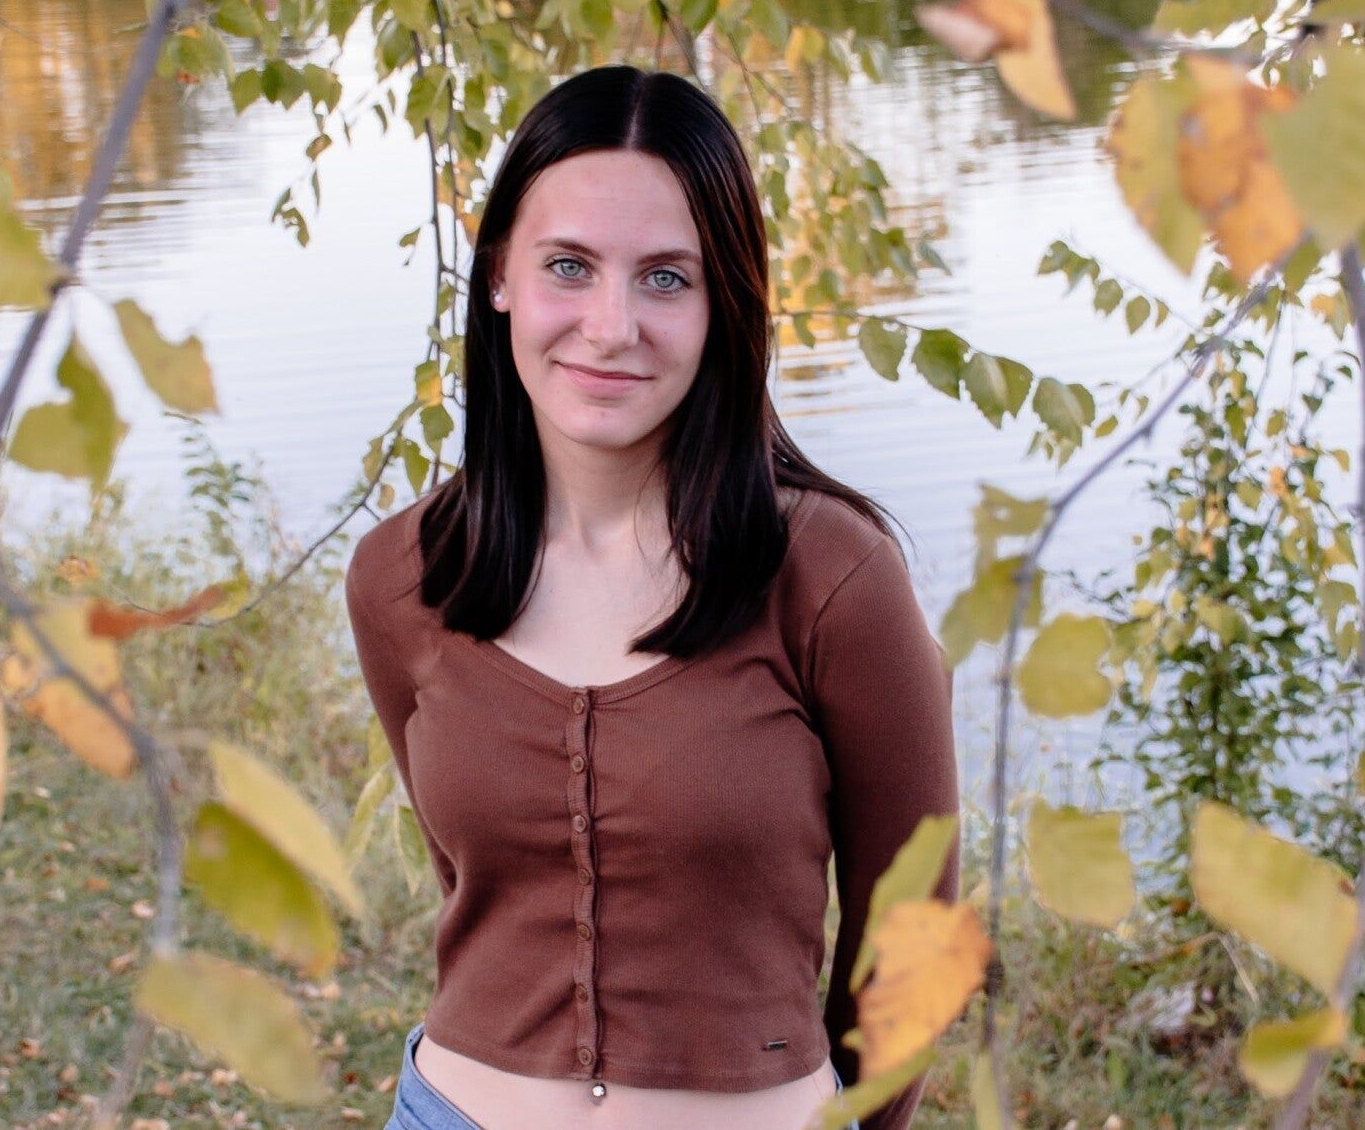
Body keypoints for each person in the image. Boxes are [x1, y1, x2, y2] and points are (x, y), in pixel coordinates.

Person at [345, 64, 960, 1130]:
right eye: (568, 266)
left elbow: (908, 939)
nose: (610, 324)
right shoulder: (403, 576)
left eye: (665, 278)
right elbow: (475, 882)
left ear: (725, 297)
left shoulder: (833, 578)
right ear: (499, 275)